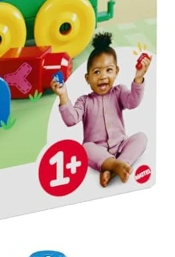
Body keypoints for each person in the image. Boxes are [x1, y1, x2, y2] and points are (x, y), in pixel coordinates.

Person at [52, 32, 151, 187]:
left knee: (141, 138)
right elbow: (71, 120)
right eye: (96, 72)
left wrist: (138, 78)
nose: (103, 76)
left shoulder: (119, 91)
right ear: (87, 78)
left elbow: (133, 102)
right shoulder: (84, 101)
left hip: (121, 145)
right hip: (97, 150)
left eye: (109, 70)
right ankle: (115, 165)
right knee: (84, 148)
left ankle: (115, 167)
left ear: (117, 72)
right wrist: (63, 95)